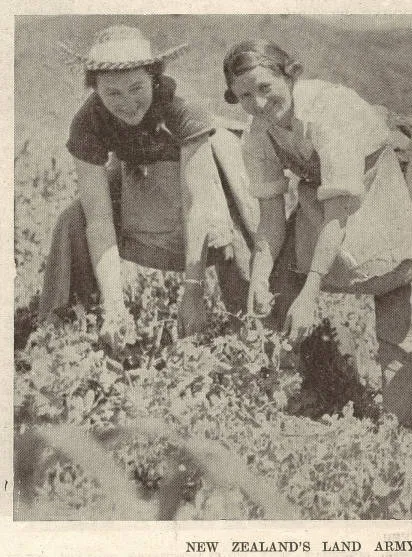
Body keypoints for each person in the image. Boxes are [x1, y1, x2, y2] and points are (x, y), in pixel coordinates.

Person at [222, 40, 412, 427]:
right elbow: (272, 217)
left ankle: (401, 433)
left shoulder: (329, 114)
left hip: (396, 180)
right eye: (244, 95)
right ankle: (286, 399)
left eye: (265, 88)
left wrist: (312, 290)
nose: (258, 104)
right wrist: (258, 275)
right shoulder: (258, 136)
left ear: (289, 75)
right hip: (330, 191)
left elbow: (339, 213)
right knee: (277, 284)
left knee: (402, 299)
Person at [41, 25, 259, 344]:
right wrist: (116, 305)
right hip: (144, 178)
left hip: (210, 177)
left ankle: (249, 328)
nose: (128, 103)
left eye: (136, 88)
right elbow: (99, 221)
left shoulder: (181, 108)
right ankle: (69, 332)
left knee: (227, 223)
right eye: (112, 93)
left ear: (153, 79)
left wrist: (193, 291)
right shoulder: (88, 122)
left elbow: (198, 204)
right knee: (73, 220)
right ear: (95, 91)